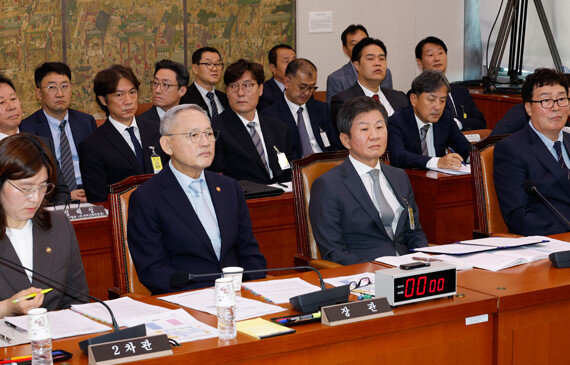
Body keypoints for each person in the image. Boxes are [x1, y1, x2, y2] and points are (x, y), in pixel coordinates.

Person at [127, 104, 267, 294]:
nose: (205, 142)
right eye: (194, 135)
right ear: (167, 145)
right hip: (186, 301)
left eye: (209, 134)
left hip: (239, 297)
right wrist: (203, 297)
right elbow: (153, 271)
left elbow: (250, 253)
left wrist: (255, 292)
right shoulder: (147, 198)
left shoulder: (229, 188)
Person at [309, 96, 427, 264]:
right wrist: (375, 271)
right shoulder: (328, 186)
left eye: (380, 127)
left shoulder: (399, 176)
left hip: (408, 270)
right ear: (345, 139)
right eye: (364, 130)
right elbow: (334, 252)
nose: (375, 136)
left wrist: (423, 261)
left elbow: (415, 233)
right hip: (364, 275)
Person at [0, 134, 88, 317]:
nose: (35, 198)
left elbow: (78, 300)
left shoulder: (59, 226)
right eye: (26, 188)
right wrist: (7, 308)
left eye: (42, 187)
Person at [494, 68, 570, 236]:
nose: (556, 107)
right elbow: (518, 216)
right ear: (528, 108)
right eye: (546, 101)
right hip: (548, 243)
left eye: (561, 99)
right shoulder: (511, 149)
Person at [79, 65, 167, 202]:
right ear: (103, 100)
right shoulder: (92, 145)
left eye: (132, 92)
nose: (129, 101)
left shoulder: (157, 131)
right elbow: (98, 198)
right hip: (123, 216)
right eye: (119, 95)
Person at [20, 62, 96, 203]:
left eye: (64, 86)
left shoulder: (86, 122)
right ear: (39, 93)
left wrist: (93, 191)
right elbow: (33, 177)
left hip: (88, 192)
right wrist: (66, 195)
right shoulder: (27, 128)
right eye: (52, 88)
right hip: (54, 197)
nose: (60, 94)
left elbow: (97, 165)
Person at [210, 59, 294, 184]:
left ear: (260, 89)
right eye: (233, 86)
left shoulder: (279, 128)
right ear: (227, 91)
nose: (240, 93)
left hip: (281, 197)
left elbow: (287, 170)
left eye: (247, 85)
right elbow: (219, 177)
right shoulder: (216, 129)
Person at [0, 75, 70, 204]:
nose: (11, 107)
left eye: (13, 99)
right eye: (1, 102)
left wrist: (49, 215)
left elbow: (61, 190)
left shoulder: (42, 143)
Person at [388, 70, 470, 170]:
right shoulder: (398, 121)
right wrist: (437, 162)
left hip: (439, 179)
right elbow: (398, 156)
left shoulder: (445, 118)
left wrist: (474, 158)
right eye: (431, 100)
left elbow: (463, 146)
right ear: (414, 99)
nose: (438, 107)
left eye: (442, 101)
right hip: (411, 181)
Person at [262, 58, 340, 159]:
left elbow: (335, 145)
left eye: (312, 88)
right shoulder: (271, 115)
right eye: (302, 87)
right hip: (295, 169)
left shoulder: (321, 108)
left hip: (325, 165)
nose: (307, 93)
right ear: (287, 82)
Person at [330, 38, 408, 125]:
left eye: (382, 59)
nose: (377, 63)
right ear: (357, 65)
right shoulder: (344, 101)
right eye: (370, 59)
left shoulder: (400, 98)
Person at [415, 36, 486, 131]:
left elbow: (481, 123)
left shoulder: (461, 91)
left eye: (440, 53)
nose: (437, 58)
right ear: (420, 62)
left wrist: (458, 123)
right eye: (431, 55)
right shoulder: (417, 93)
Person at [326, 24, 393, 104]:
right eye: (354, 44)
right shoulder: (336, 78)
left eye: (364, 42)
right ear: (345, 49)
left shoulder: (384, 72)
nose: (360, 46)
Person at [180, 47, 229, 119]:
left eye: (218, 64)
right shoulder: (183, 98)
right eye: (209, 64)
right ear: (195, 68)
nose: (215, 69)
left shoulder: (225, 98)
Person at [138, 59, 189, 123]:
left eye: (165, 85)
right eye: (155, 83)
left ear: (182, 91)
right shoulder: (140, 123)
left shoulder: (191, 119)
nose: (157, 90)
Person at [258, 44, 296, 110]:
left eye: (294, 60)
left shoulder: (303, 89)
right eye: (286, 61)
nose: (292, 65)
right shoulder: (264, 94)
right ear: (273, 68)